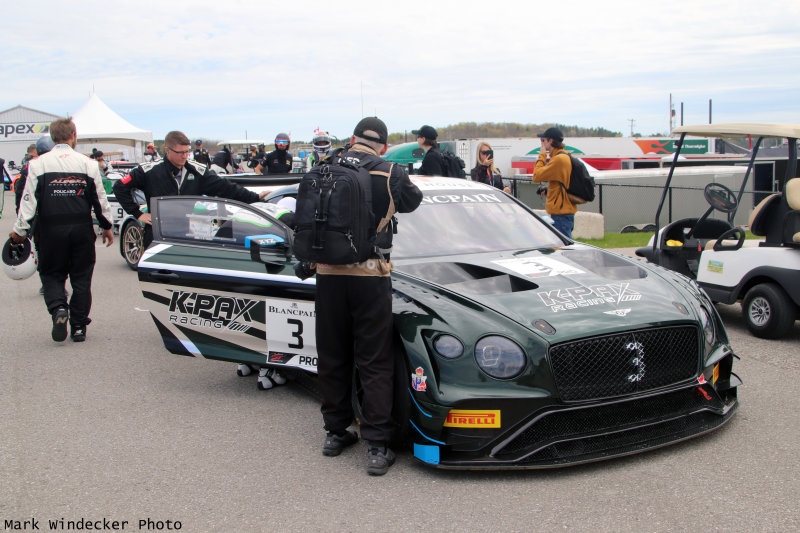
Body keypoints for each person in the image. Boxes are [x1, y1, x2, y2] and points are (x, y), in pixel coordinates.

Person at [311, 116, 422, 476]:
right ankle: (377, 445)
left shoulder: (324, 167)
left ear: (353, 139)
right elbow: (412, 202)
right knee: (374, 358)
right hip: (370, 275)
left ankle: (335, 433)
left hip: (327, 274)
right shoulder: (389, 171)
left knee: (332, 354)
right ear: (384, 146)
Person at [10, 118, 114, 343]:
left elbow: (28, 202)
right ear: (74, 135)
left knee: (51, 274)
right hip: (81, 230)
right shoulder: (87, 163)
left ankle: (59, 309)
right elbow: (100, 199)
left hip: (50, 230)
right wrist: (106, 226)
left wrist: (20, 231)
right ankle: (78, 327)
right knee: (81, 278)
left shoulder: (38, 164)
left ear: (52, 136)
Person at [113, 130, 269, 251]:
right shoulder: (149, 171)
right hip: (158, 232)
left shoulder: (196, 170)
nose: (184, 156)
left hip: (188, 230)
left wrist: (255, 197)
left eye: (187, 152)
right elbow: (119, 187)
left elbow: (225, 188)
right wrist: (138, 214)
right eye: (180, 152)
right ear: (167, 150)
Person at [532, 127, 577, 238]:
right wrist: (550, 192)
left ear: (551, 141)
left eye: (543, 140)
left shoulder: (559, 159)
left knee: (562, 249)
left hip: (560, 215)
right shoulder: (564, 156)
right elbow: (562, 184)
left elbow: (536, 175)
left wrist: (542, 155)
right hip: (564, 212)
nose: (541, 144)